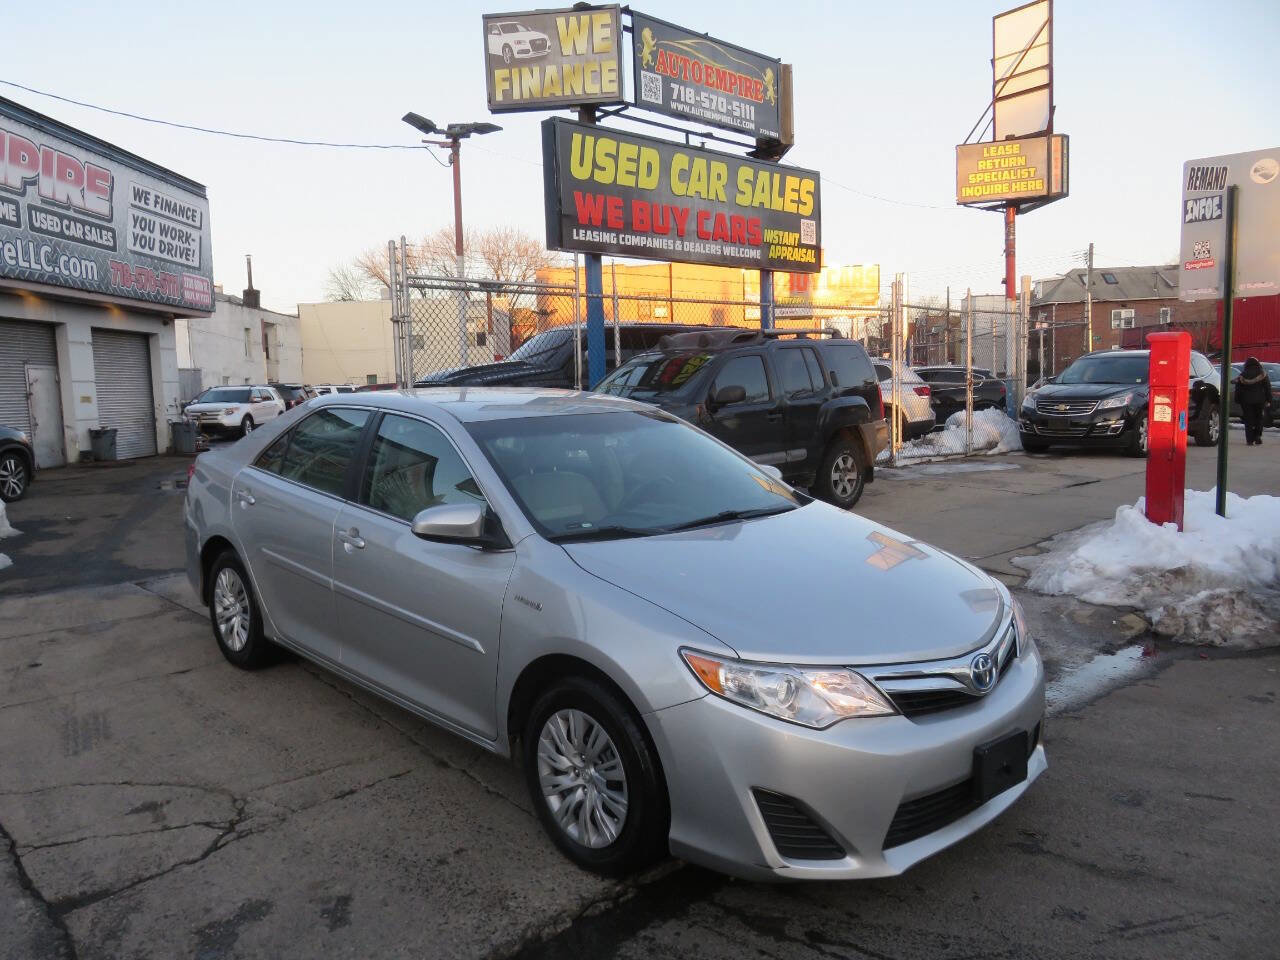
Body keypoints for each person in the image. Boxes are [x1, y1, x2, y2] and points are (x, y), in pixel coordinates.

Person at [1234, 357, 1273, 445]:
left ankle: (1249, 440)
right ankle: (1257, 435)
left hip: (1246, 401)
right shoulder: (1262, 374)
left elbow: (1238, 389)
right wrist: (1269, 399)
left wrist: (1237, 399)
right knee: (1259, 418)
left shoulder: (1243, 375)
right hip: (1260, 400)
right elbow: (1267, 388)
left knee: (1248, 420)